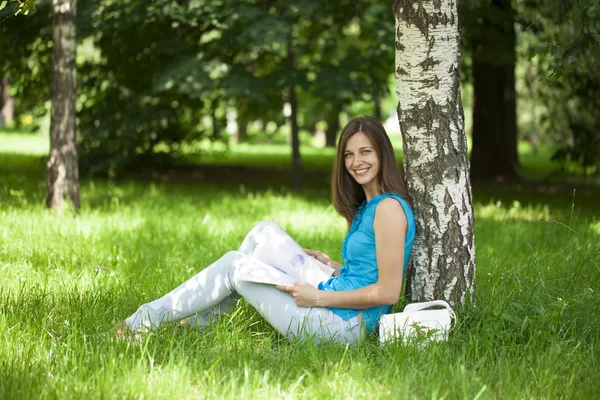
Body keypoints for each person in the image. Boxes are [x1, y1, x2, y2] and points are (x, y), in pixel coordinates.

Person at [115, 116, 415, 344]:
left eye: (366, 152)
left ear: (382, 154)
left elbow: (388, 291)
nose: (356, 162)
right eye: (349, 155)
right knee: (264, 232)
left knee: (235, 264)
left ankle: (141, 321)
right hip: (336, 295)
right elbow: (370, 270)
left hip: (344, 327)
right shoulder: (370, 204)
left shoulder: (388, 208)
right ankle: (200, 325)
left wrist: (318, 298)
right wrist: (334, 267)